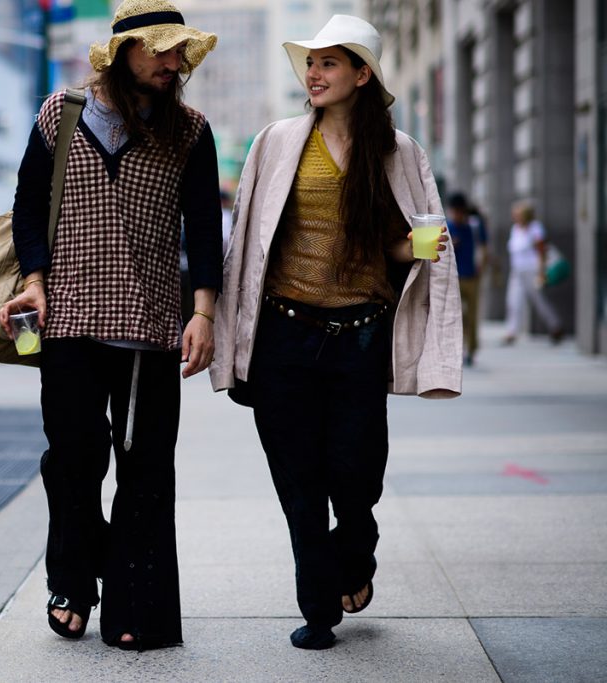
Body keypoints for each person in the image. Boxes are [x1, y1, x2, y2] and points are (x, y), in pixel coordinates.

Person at [209, 15, 462, 650]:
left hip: (360, 338)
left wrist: (420, 248)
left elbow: (404, 244)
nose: (314, 75)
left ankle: (357, 543)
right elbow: (246, 242)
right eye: (310, 64)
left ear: (362, 73)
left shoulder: (399, 152)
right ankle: (317, 606)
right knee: (297, 479)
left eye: (328, 63)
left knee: (356, 475)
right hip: (285, 338)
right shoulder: (277, 141)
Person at [0, 0, 222, 651]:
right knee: (73, 461)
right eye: (162, 49)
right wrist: (34, 278)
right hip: (64, 321)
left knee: (146, 471)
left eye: (181, 51)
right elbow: (28, 206)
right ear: (125, 49)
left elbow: (205, 231)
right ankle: (72, 581)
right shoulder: (61, 116)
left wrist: (202, 312)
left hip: (151, 327)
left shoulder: (190, 131)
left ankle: (137, 605)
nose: (174, 62)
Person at [503, 200, 563, 345]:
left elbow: (541, 251)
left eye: (518, 214)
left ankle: (555, 326)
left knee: (539, 301)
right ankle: (512, 331)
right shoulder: (515, 229)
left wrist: (541, 272)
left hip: (532, 270)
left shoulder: (535, 228)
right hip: (517, 270)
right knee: (513, 300)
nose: (515, 217)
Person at [446, 192, 488, 365]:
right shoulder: (447, 226)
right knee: (456, 316)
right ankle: (457, 349)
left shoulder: (474, 226)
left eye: (459, 212)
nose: (456, 215)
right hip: (453, 277)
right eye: (454, 212)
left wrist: (482, 267)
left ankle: (471, 349)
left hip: (472, 277)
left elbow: (484, 247)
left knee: (472, 316)